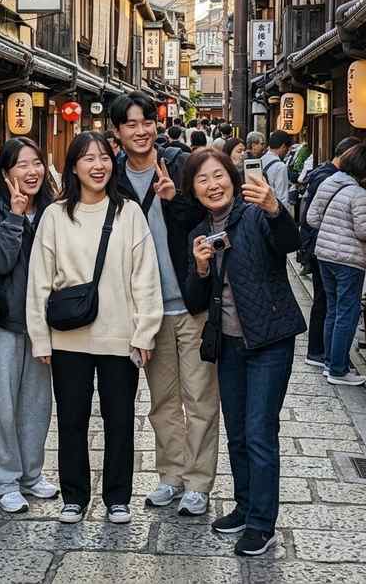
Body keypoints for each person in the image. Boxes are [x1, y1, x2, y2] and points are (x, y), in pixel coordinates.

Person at [26, 131, 164, 525]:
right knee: (71, 419)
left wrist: (144, 332)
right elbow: (40, 279)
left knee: (119, 419)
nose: (98, 165)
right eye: (88, 158)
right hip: (69, 338)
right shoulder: (55, 214)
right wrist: (40, 336)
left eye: (104, 157)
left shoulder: (129, 212)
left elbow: (145, 277)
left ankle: (117, 497)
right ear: (73, 166)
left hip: (120, 337)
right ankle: (74, 495)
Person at [182, 148, 306, 557]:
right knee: (236, 430)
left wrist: (275, 209)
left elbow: (291, 244)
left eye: (219, 176)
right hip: (230, 344)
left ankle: (261, 524)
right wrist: (200, 267)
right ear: (194, 190)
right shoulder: (200, 233)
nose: (212, 185)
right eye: (203, 180)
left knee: (258, 431)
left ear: (233, 179)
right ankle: (244, 504)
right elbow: (195, 302)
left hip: (269, 339)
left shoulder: (254, 214)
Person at [110, 92, 217, 516]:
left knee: (201, 397)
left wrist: (177, 199)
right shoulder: (111, 176)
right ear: (117, 132)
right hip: (147, 310)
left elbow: (209, 216)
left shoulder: (181, 164)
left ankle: (198, 482)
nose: (141, 130)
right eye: (131, 124)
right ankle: (171, 476)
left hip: (190, 300)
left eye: (147, 121)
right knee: (162, 400)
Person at [0, 137, 59, 514]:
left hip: (42, 323)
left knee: (36, 405)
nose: (32, 172)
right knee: (0, 405)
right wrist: (14, 214)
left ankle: (31, 474)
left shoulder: (53, 209)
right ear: (6, 172)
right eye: (22, 165)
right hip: (3, 322)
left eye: (37, 163)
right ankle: (3, 481)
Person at [307, 144, 366, 387]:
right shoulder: (358, 194)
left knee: (332, 309)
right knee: (346, 313)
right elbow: (363, 231)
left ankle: (330, 361)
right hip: (348, 260)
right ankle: (338, 368)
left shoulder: (329, 182)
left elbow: (312, 218)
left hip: (324, 255)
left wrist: (333, 229)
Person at [298, 137, 361, 367]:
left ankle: (322, 353)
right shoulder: (332, 178)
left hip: (319, 246)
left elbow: (310, 216)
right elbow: (313, 218)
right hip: (326, 249)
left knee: (326, 302)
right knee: (329, 303)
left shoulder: (322, 173)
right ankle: (323, 355)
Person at [261, 130, 294, 211]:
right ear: (283, 146)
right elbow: (282, 196)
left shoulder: (261, 159)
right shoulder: (280, 166)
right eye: (287, 148)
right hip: (272, 209)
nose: (287, 152)